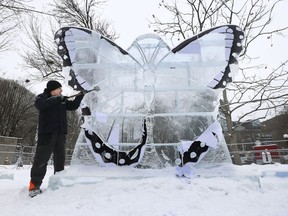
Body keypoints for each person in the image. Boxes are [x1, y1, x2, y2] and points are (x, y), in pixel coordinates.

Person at [29, 80, 84, 197]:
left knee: (60, 160)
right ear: (53, 90)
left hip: (60, 134)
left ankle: (58, 182)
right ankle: (34, 185)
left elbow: (73, 106)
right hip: (46, 134)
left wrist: (80, 96)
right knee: (41, 160)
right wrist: (56, 99)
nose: (61, 90)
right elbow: (41, 105)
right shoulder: (41, 98)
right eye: (59, 88)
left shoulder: (61, 101)